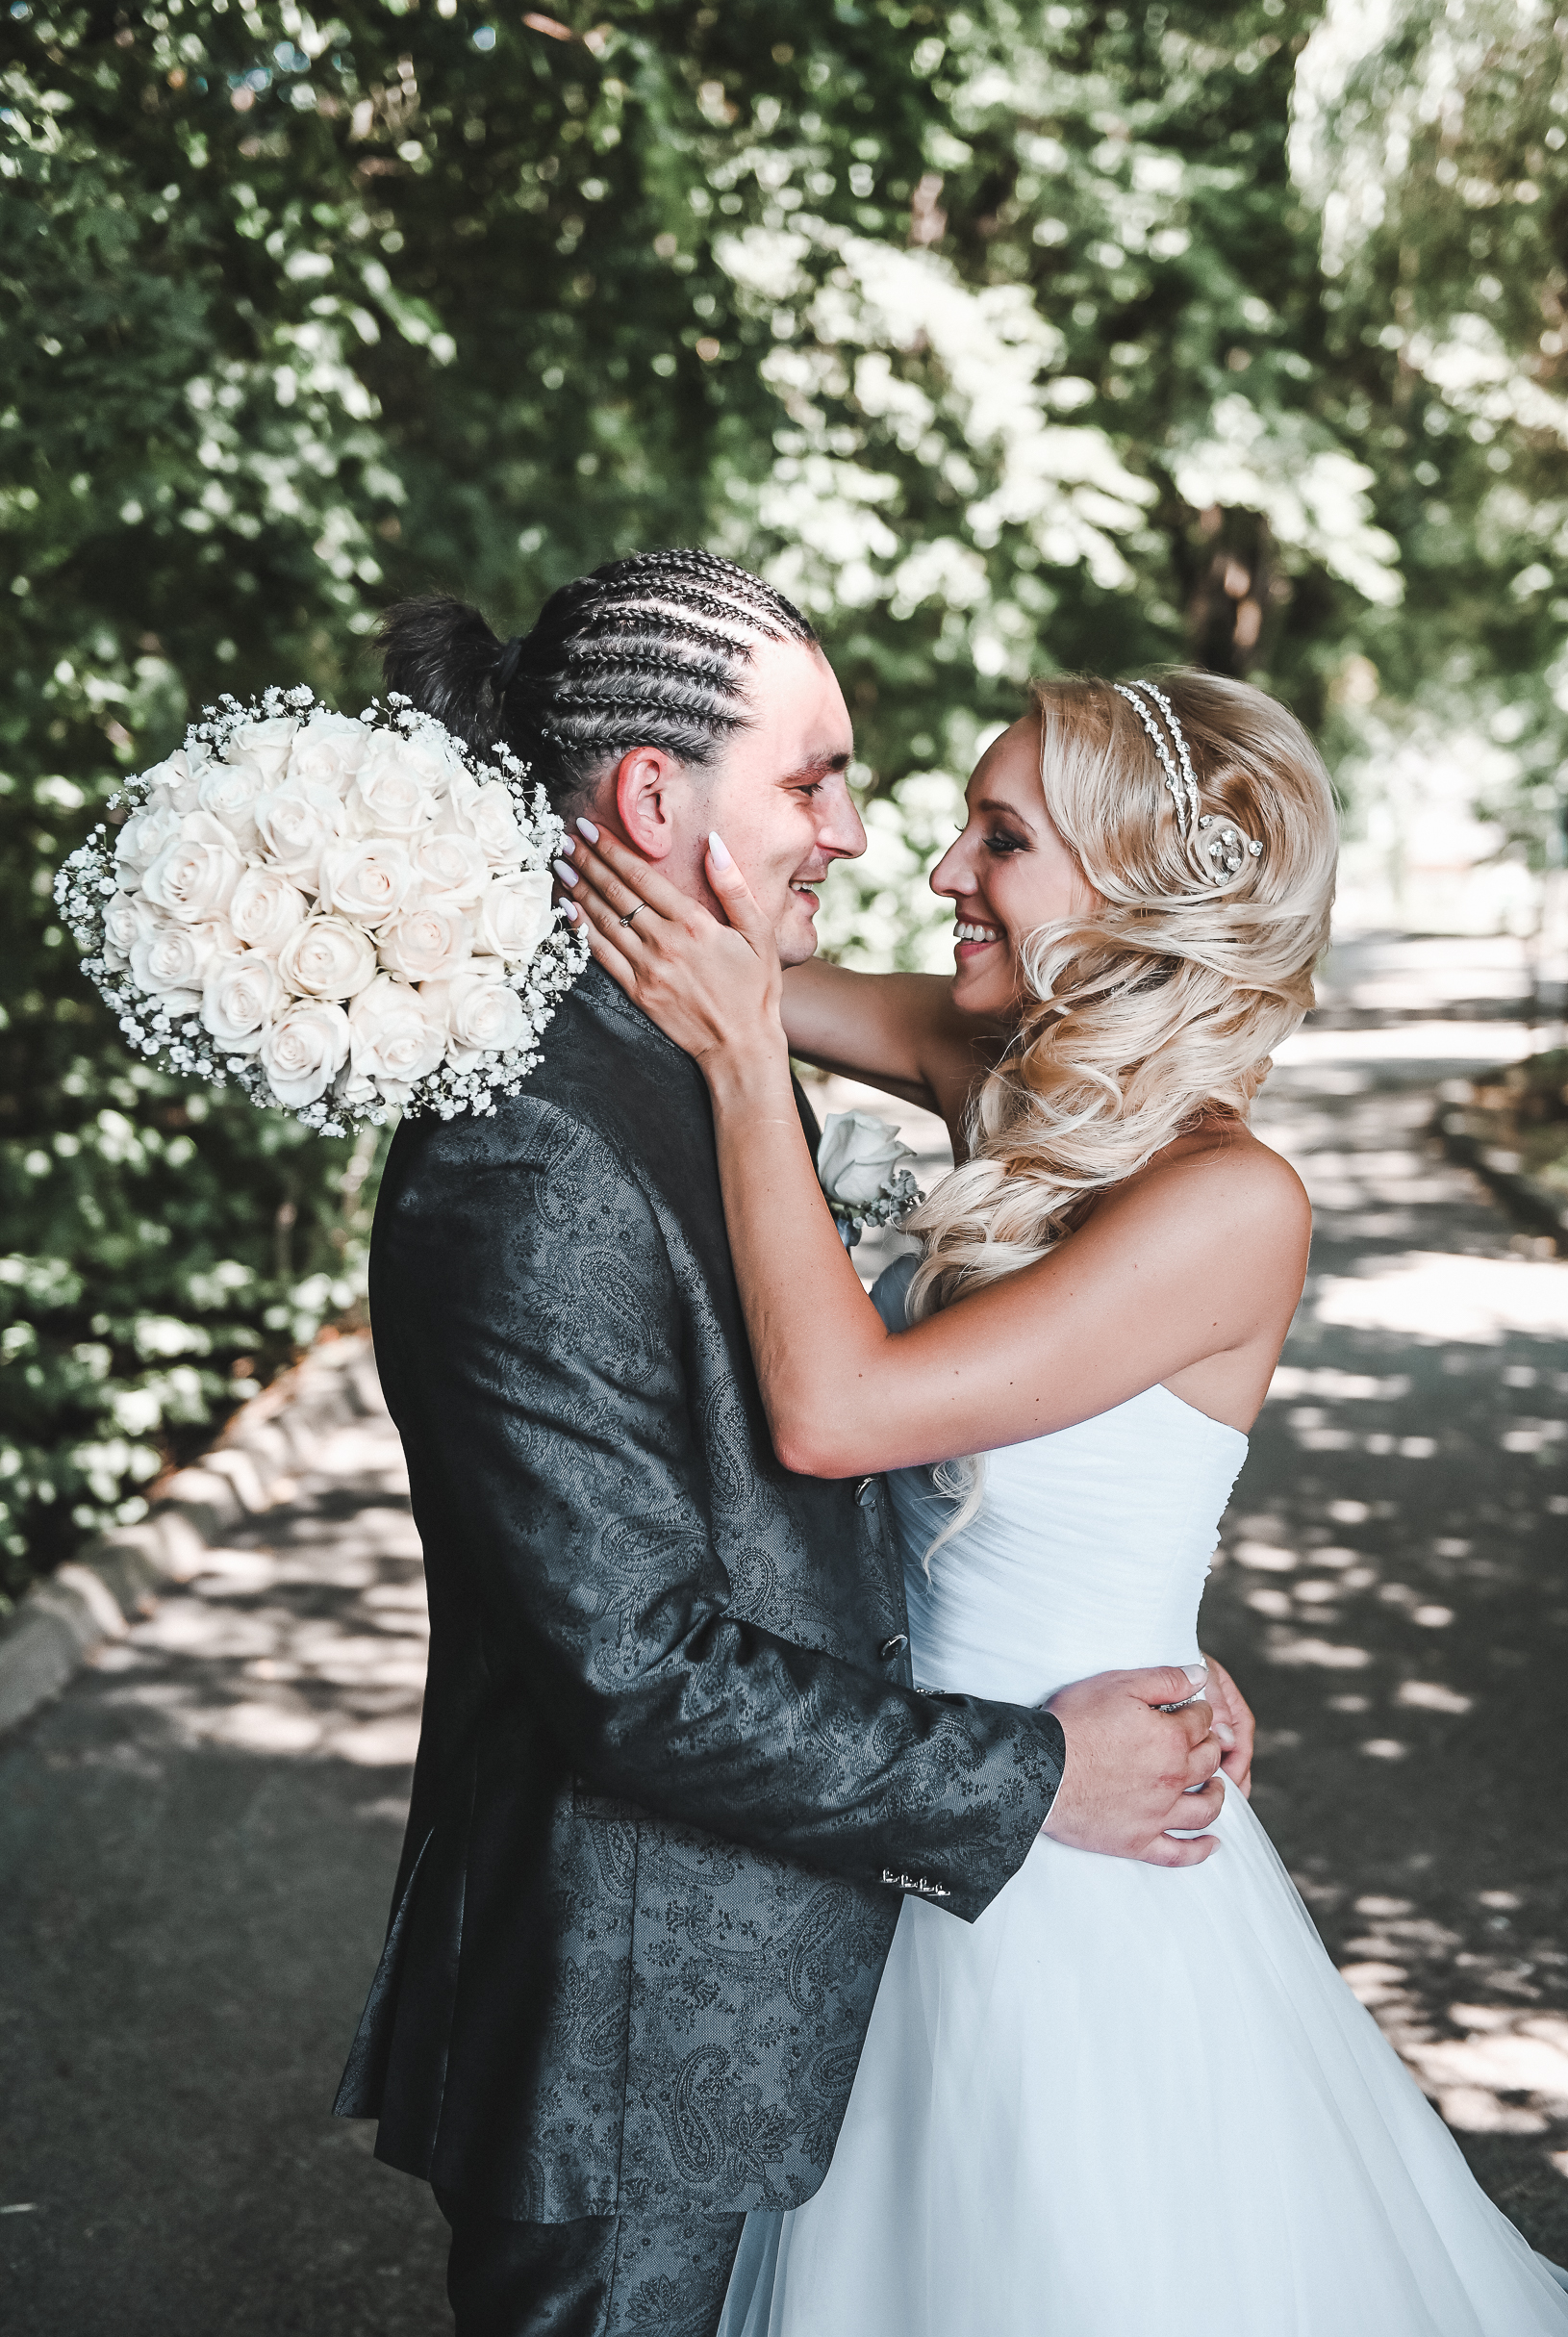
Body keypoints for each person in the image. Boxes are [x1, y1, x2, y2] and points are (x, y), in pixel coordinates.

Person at [560, 668, 1568, 2335]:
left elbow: (836, 1411)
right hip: (907, 1792)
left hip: (1081, 1856)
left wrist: (743, 1072)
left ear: (1142, 888)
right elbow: (719, 964)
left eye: (1001, 837)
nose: (942, 869)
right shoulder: (993, 1068)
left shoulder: (1233, 1201)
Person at [332, 555, 1256, 2337]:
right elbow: (637, 1673)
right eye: (815, 777)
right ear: (652, 798)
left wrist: (1127, 1627)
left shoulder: (683, 1052)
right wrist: (1032, 1768)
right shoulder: (537, 1142)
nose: (859, 832)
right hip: (640, 2020)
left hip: (804, 1954)